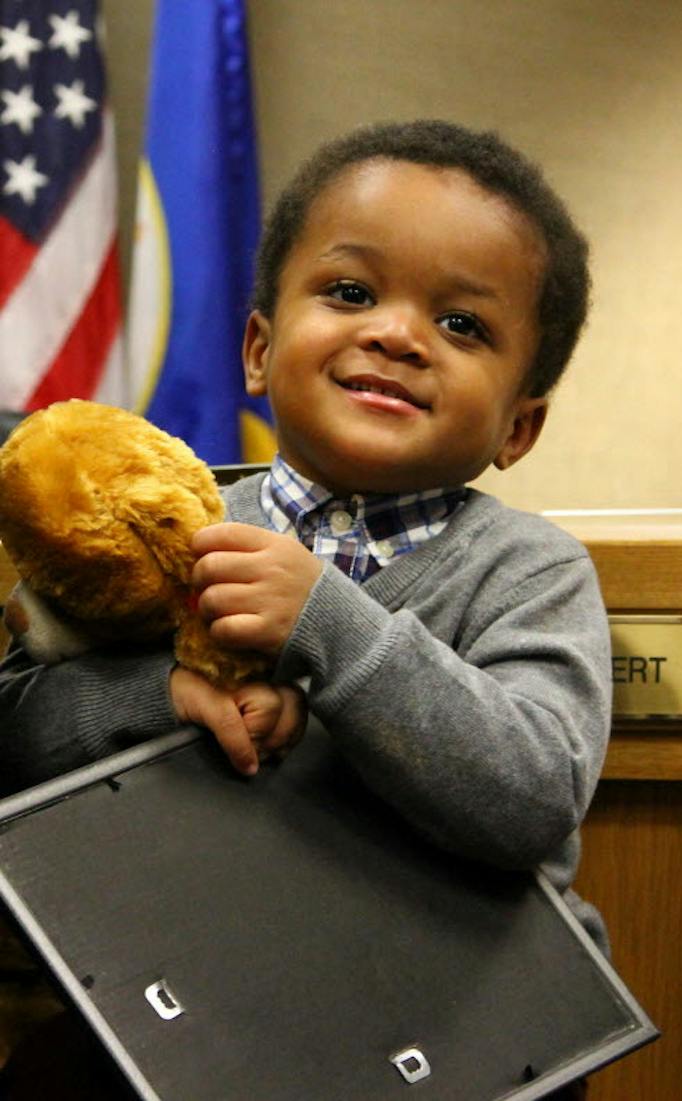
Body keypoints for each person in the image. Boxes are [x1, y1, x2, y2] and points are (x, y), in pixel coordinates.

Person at [0, 119, 611, 946]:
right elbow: (13, 733)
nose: (397, 335)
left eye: (463, 324)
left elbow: (535, 800)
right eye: (352, 293)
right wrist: (161, 698)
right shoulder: (157, 527)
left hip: (457, 1025)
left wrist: (329, 623)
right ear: (258, 349)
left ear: (518, 427)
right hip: (184, 1001)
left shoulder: (531, 572)